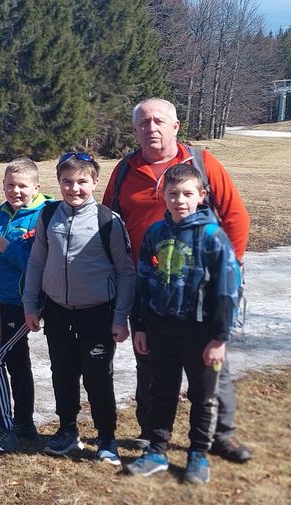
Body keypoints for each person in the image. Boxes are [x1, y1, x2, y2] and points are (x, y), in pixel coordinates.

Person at [102, 97, 252, 463]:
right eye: (144, 122)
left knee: (212, 364)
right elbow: (108, 223)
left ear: (175, 126)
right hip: (150, 288)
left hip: (201, 292)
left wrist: (227, 272)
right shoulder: (124, 171)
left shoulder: (202, 164)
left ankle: (221, 435)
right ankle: (151, 433)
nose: (151, 127)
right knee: (149, 361)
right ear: (135, 129)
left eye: (158, 121)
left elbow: (236, 217)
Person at [124, 164, 241, 485]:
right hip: (161, 328)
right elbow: (144, 283)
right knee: (161, 392)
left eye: (187, 194)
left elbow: (227, 289)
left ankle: (198, 454)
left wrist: (219, 338)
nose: (180, 200)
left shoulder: (212, 237)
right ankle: (157, 451)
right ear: (163, 196)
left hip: (200, 332)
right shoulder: (155, 233)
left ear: (201, 196)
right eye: (173, 194)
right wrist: (141, 326)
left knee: (203, 396)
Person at [22, 152, 135, 464]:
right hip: (58, 311)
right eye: (67, 182)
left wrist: (120, 317)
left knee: (97, 376)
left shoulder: (108, 221)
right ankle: (67, 430)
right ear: (59, 183)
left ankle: (107, 436)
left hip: (98, 313)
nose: (74, 188)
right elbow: (37, 262)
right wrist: (30, 304)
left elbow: (126, 273)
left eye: (82, 182)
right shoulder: (48, 216)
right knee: (63, 373)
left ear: (95, 182)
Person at [0, 158, 50, 453]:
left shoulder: (43, 216)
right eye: (10, 185)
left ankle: (5, 426)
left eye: (22, 186)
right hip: (2, 301)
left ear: (36, 187)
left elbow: (40, 265)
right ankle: (25, 424)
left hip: (26, 302)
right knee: (17, 360)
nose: (15, 191)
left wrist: (6, 246)